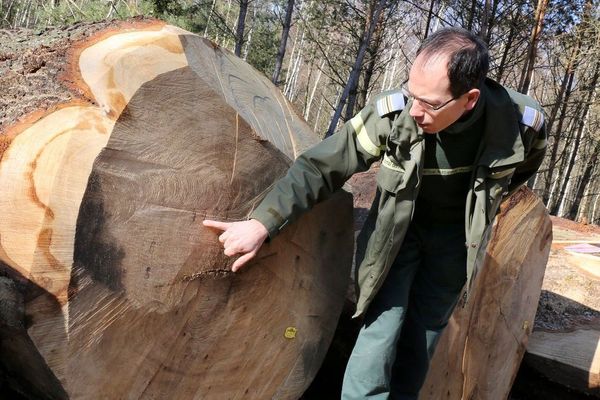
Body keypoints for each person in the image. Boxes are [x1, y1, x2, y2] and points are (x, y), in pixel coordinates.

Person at [203, 27, 547, 399]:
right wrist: (263, 222)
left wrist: (481, 210)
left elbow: (520, 171)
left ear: (469, 99)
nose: (414, 109)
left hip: (455, 243)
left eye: (429, 103)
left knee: (422, 340)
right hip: (397, 235)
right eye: (411, 93)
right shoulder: (393, 114)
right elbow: (323, 167)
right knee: (380, 334)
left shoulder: (521, 123)